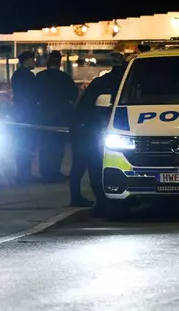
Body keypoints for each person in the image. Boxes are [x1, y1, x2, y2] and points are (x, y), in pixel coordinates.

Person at [69, 52, 128, 212]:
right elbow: (90, 106)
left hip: (89, 127)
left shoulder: (105, 82)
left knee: (86, 164)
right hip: (90, 128)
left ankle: (85, 198)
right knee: (91, 164)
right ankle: (95, 200)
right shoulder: (115, 82)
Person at [35, 50, 79, 183]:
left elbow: (33, 94)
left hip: (43, 116)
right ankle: (54, 172)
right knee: (58, 146)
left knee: (44, 145)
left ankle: (45, 172)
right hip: (60, 117)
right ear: (59, 63)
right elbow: (73, 94)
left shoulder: (40, 77)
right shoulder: (65, 77)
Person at [10, 51, 38, 184]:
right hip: (27, 114)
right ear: (27, 60)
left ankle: (23, 174)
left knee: (21, 144)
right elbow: (33, 95)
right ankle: (25, 175)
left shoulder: (16, 75)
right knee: (27, 144)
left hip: (19, 113)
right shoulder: (28, 76)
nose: (34, 62)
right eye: (33, 59)